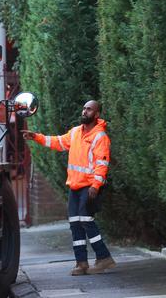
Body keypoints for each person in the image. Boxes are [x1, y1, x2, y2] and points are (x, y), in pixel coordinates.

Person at [22, 100, 116, 275]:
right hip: (75, 186)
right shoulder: (75, 133)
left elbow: (102, 164)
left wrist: (96, 185)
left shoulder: (100, 136)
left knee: (86, 221)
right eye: (84, 108)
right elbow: (58, 142)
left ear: (97, 115)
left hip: (89, 187)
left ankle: (104, 258)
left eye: (89, 110)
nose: (84, 111)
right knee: (75, 224)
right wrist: (36, 137)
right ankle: (81, 263)